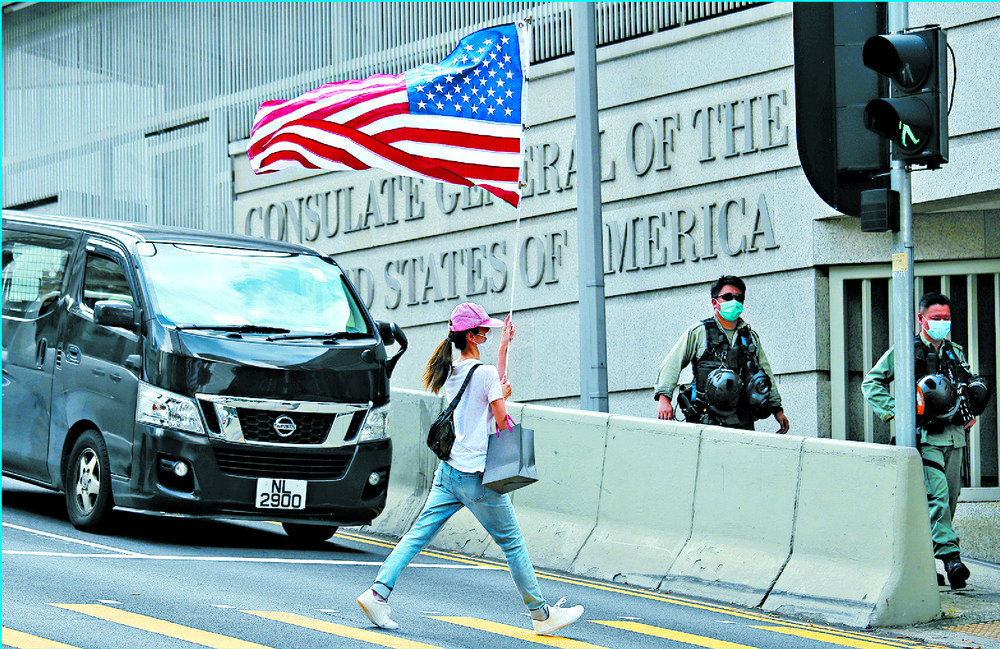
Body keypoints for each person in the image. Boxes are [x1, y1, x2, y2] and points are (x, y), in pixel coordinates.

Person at [357, 302, 584, 636]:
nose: (488, 334)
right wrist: (504, 401)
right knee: (514, 545)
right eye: (485, 331)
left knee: (417, 535)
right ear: (474, 335)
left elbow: (489, 387)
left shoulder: (451, 371)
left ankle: (377, 593)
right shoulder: (485, 374)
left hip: (448, 473)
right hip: (478, 478)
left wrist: (505, 348)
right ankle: (541, 615)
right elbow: (501, 417)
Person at [862, 292, 987, 590]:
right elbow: (871, 383)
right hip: (925, 437)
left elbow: (965, 386)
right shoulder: (906, 350)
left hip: (955, 438)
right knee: (938, 498)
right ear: (921, 319)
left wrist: (973, 410)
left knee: (948, 501)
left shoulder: (955, 352)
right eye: (936, 319)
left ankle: (923, 565)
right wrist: (898, 413)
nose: (942, 323)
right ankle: (952, 559)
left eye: (947, 319)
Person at [653, 275, 790, 433]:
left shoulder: (750, 337)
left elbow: (765, 373)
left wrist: (776, 409)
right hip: (706, 422)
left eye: (739, 298)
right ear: (714, 302)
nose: (734, 301)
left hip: (742, 422)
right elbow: (672, 363)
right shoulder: (699, 332)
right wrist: (664, 399)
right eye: (727, 297)